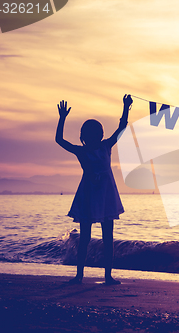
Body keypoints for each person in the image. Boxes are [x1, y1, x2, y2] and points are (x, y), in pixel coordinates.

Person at [55, 94, 133, 285]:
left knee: (104, 236)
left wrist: (125, 107)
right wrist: (62, 118)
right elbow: (59, 140)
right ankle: (85, 275)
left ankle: (99, 276)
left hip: (101, 195)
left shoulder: (103, 146)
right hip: (93, 195)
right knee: (92, 237)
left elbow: (122, 127)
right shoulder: (94, 148)